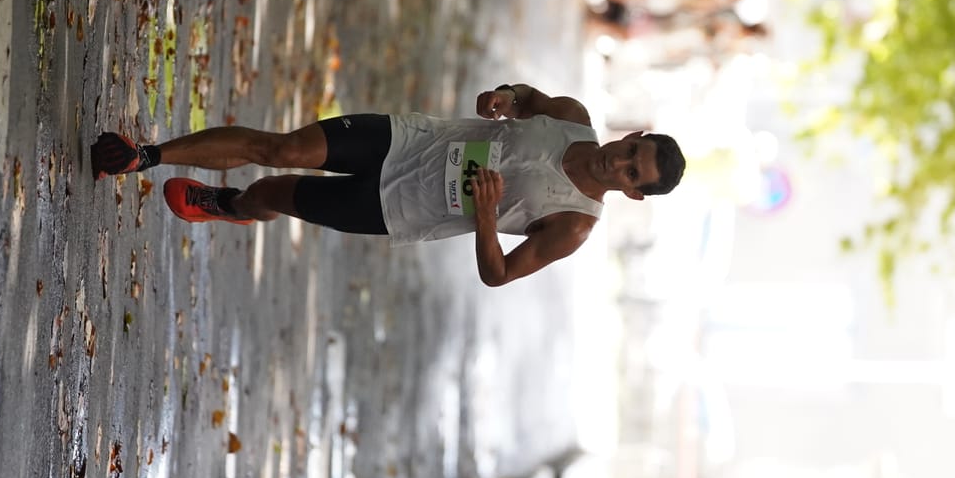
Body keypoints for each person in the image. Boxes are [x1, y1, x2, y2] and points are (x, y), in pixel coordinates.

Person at [89, 84, 686, 287]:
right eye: (632, 151)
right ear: (632, 134)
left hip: (396, 207)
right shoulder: (572, 117)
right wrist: (506, 97)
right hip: (406, 140)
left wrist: (484, 217)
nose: (620, 163)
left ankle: (232, 205)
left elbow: (499, 274)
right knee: (282, 147)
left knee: (273, 189)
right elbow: (528, 98)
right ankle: (146, 155)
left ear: (633, 194)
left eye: (633, 174)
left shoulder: (575, 224)